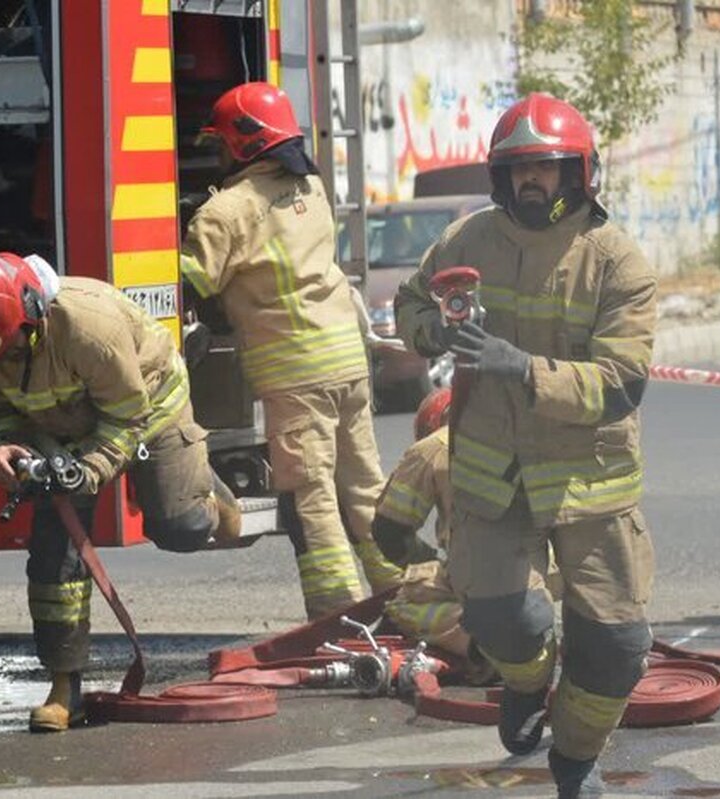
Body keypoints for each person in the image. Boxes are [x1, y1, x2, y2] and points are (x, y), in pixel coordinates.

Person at [394, 93, 657, 798]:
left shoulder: (616, 262)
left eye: (546, 168)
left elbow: (621, 384)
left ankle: (574, 755)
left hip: (589, 484)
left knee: (615, 649)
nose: (531, 183)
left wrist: (523, 368)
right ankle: (526, 681)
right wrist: (434, 332)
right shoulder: (467, 240)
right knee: (506, 619)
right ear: (499, 177)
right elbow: (412, 302)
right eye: (518, 171)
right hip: (493, 479)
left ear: (578, 173)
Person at [0, 251, 241, 733]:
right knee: (53, 557)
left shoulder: (89, 328)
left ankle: (208, 494)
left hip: (147, 406)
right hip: (59, 433)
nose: (2, 360)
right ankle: (65, 686)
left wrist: (91, 469)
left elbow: (127, 415)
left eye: (11, 347)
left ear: (32, 314)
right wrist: (14, 452)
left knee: (180, 528)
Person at [180, 81, 402, 620]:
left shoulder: (225, 212)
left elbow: (189, 285)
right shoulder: (312, 189)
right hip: (349, 361)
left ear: (238, 144)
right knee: (366, 487)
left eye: (219, 144)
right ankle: (409, 599)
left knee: (314, 494)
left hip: (296, 373)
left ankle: (342, 618)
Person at [376, 387, 562, 684]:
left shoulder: (433, 447)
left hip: (481, 571)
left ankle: (482, 645)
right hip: (548, 568)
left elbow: (390, 532)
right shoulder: (527, 434)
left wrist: (432, 562)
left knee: (402, 604)